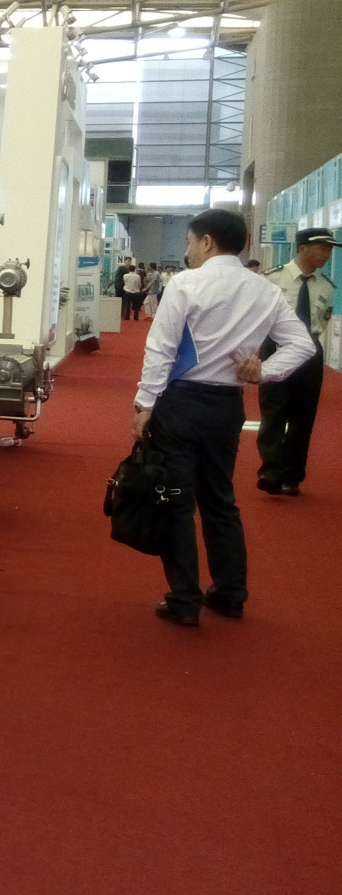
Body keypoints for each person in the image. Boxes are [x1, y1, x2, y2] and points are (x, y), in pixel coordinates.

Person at [134, 209, 315, 626]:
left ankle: (184, 599)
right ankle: (230, 593)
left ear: (207, 242)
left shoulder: (185, 283)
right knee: (220, 500)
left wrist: (144, 404)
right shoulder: (266, 289)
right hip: (227, 406)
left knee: (176, 501)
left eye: (190, 241)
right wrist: (264, 371)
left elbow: (161, 349)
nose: (188, 250)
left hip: (180, 402)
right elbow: (303, 345)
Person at [257, 228, 336, 496]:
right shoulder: (272, 278)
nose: (328, 254)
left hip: (310, 352)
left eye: (330, 249)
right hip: (276, 348)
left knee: (304, 417)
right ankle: (271, 471)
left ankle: (292, 476)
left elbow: (322, 322)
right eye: (322, 248)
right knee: (273, 411)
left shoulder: (326, 286)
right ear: (303, 248)